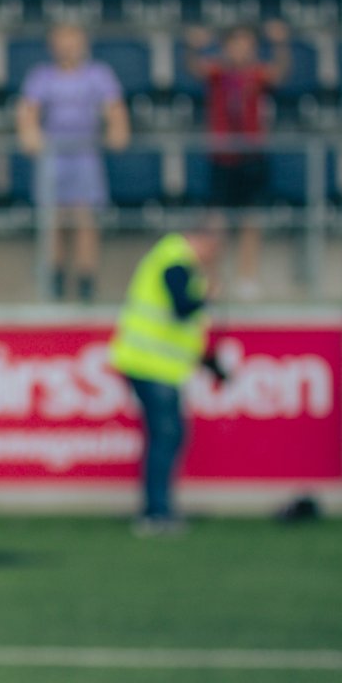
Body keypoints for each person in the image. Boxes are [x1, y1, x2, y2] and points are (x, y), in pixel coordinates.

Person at [109, 219, 225, 535]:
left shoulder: (175, 261)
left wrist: (213, 367)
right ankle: (156, 512)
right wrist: (208, 296)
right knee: (167, 434)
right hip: (149, 365)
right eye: (213, 245)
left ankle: (157, 508)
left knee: (167, 435)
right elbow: (181, 309)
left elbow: (182, 334)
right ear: (198, 238)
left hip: (156, 365)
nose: (214, 254)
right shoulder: (175, 260)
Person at [16, 24, 131, 303]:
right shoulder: (42, 77)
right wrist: (30, 135)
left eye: (73, 40)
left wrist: (117, 131)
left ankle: (85, 280)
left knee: (85, 219)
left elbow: (114, 109)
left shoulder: (98, 75)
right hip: (53, 158)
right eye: (61, 41)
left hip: (85, 156)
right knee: (53, 218)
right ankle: (53, 278)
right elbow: (28, 111)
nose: (68, 47)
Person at [182, 21, 290, 299]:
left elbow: (279, 74)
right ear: (226, 47)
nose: (241, 51)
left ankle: (247, 279)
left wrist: (280, 44)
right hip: (222, 158)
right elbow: (195, 67)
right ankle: (212, 279)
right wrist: (193, 46)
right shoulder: (218, 73)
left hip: (252, 158)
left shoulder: (257, 75)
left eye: (247, 45)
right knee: (217, 223)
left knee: (250, 222)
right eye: (236, 44)